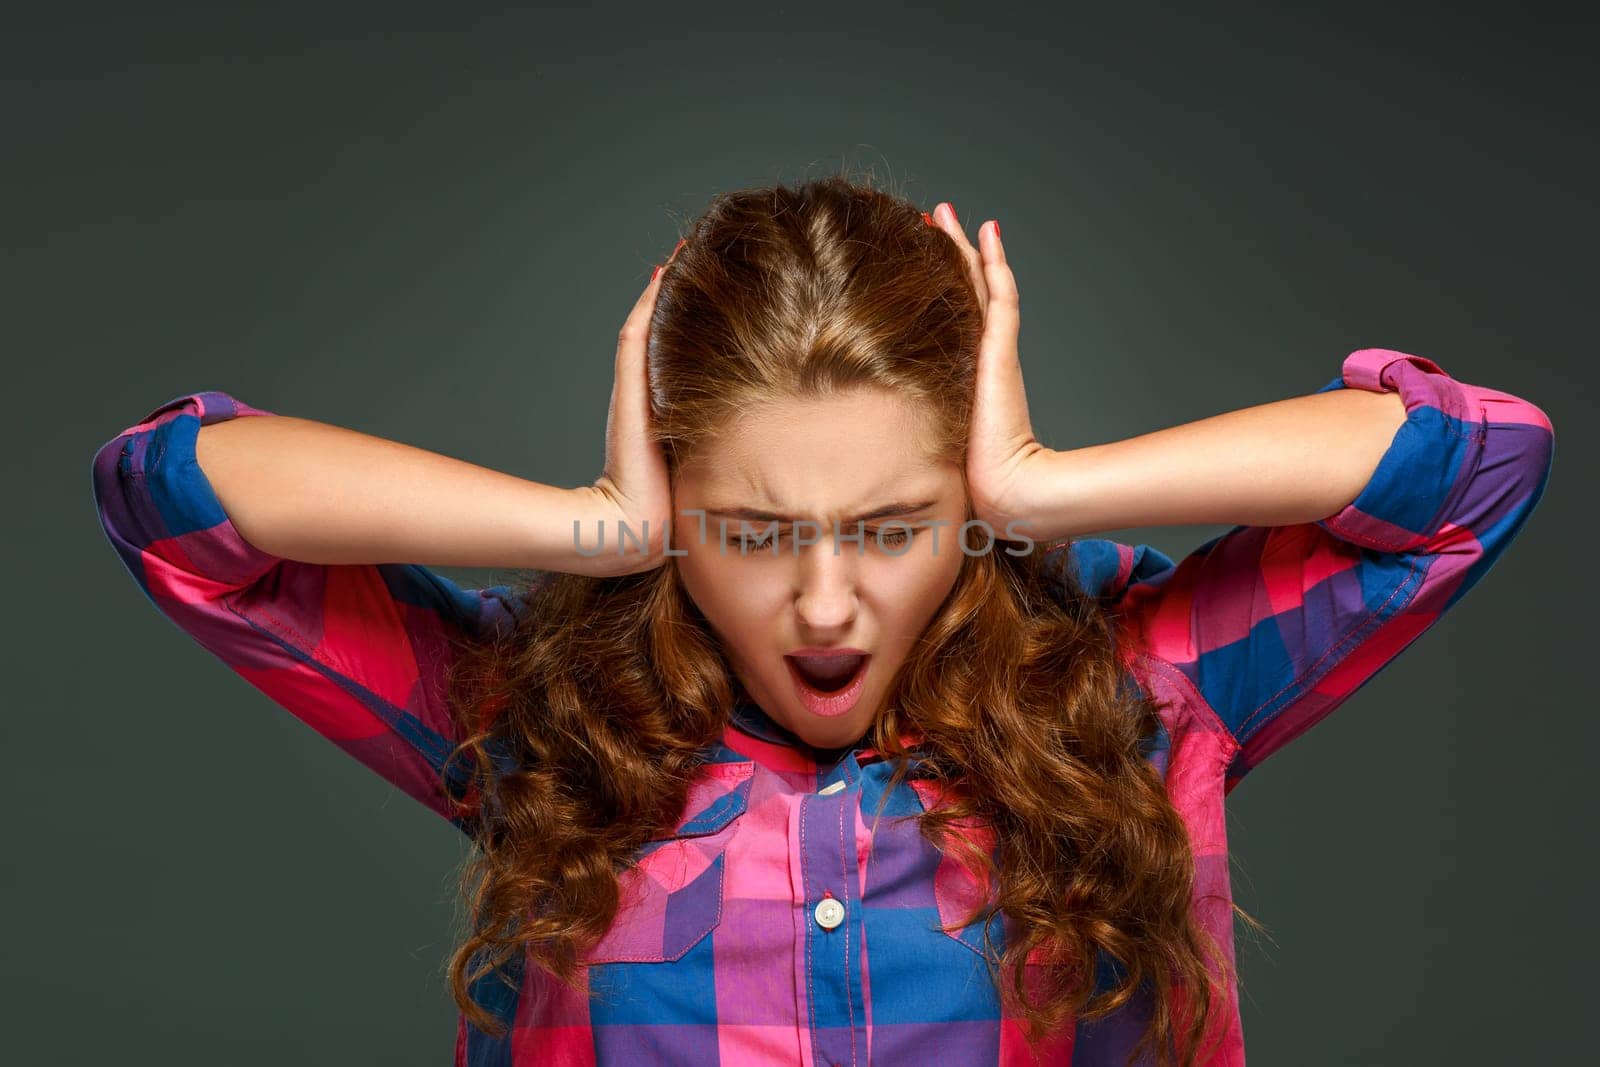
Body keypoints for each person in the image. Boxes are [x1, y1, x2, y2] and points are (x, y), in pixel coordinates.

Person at [89, 173, 1555, 1067]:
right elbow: (173, 499)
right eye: (751, 534)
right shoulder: (541, 721)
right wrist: (590, 523)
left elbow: (1476, 466)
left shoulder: (1143, 687)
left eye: (895, 526)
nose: (828, 600)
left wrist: (1051, 486)